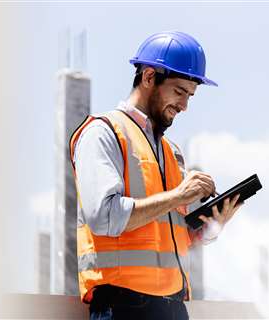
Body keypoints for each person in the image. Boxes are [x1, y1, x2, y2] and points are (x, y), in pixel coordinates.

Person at [69, 31, 243, 320]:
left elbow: (170, 236)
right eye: (179, 92)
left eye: (190, 96)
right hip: (123, 307)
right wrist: (178, 196)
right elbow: (104, 216)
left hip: (173, 307)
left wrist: (211, 227)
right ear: (149, 77)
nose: (185, 106)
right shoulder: (103, 133)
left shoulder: (169, 151)